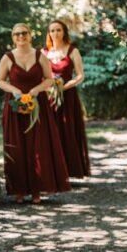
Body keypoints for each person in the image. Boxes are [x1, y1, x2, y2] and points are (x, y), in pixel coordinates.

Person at [0, 23, 70, 203]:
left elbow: (49, 79)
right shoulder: (7, 58)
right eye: (16, 34)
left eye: (24, 33)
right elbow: (0, 81)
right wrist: (14, 90)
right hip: (15, 106)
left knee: (38, 146)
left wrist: (36, 90)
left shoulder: (39, 55)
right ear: (13, 37)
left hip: (38, 106)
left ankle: (37, 190)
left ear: (30, 35)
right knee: (17, 146)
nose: (20, 37)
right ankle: (19, 191)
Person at [43, 20, 90, 178]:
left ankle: (71, 170)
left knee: (67, 130)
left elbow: (80, 75)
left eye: (58, 30)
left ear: (64, 32)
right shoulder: (44, 53)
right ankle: (53, 170)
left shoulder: (72, 51)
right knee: (51, 131)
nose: (55, 33)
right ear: (49, 33)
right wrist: (49, 87)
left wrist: (64, 87)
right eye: (52, 30)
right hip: (48, 97)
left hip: (68, 96)